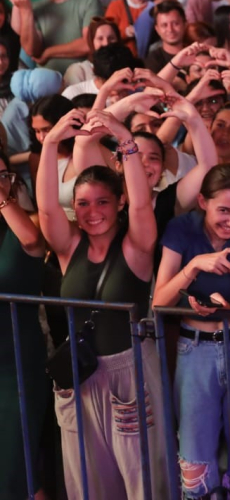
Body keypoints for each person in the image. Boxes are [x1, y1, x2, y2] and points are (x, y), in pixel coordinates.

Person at [37, 107, 170, 499]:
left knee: (142, 480)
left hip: (130, 374)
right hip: (79, 377)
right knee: (86, 481)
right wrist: (51, 142)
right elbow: (46, 209)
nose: (92, 212)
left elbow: (143, 206)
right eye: (82, 204)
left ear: (119, 203)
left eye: (102, 202)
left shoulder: (136, 246)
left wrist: (125, 139)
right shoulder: (68, 247)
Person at [150, 165, 230, 499]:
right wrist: (194, 266)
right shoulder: (182, 228)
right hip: (194, 348)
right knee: (195, 455)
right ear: (203, 201)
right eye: (224, 211)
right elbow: (159, 302)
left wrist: (224, 309)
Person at [0, 156, 49, 500]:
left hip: (16, 366)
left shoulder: (26, 225)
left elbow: (32, 242)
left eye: (3, 175)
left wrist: (2, 199)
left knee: (17, 470)